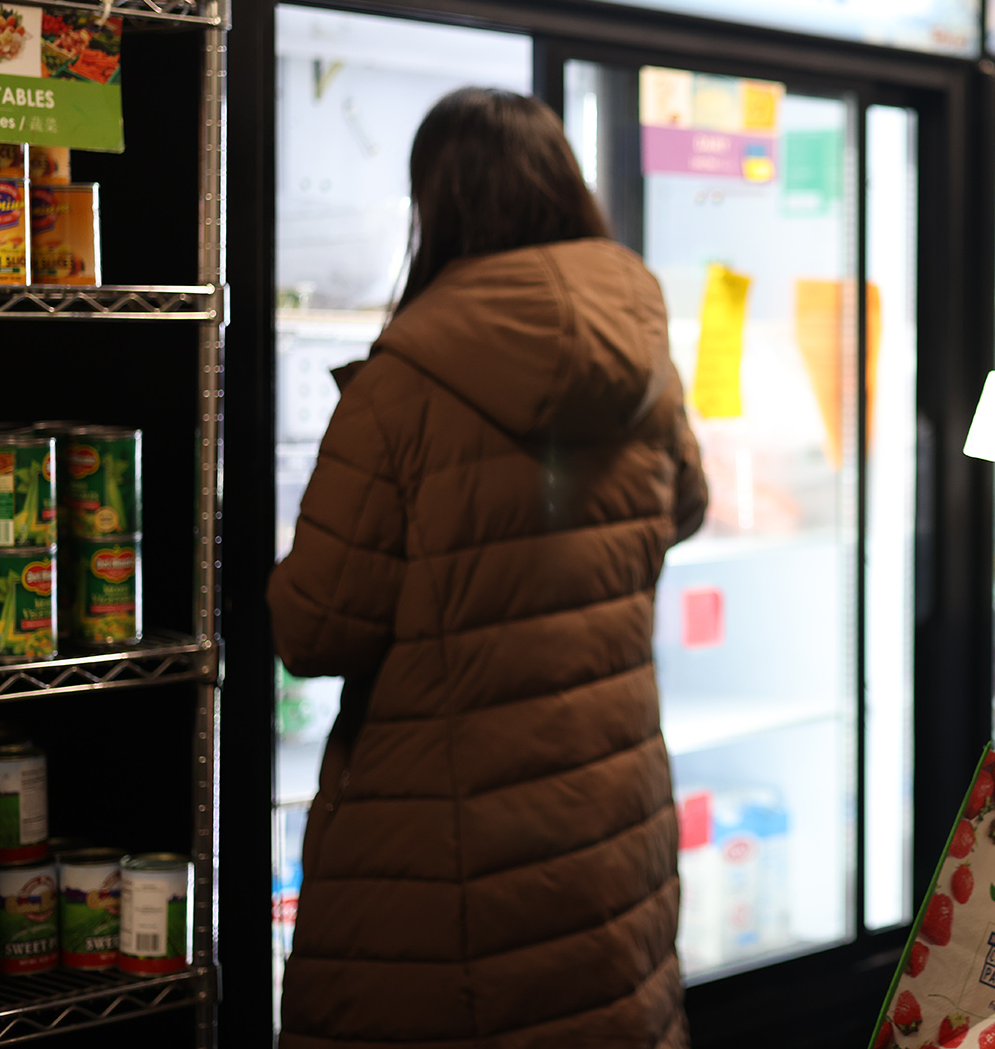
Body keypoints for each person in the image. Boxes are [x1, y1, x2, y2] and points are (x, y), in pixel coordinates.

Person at [270, 88, 707, 1049]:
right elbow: (683, 509)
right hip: (604, 815)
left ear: (438, 205)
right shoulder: (636, 335)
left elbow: (314, 628)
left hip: (444, 847)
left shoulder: (400, 383)